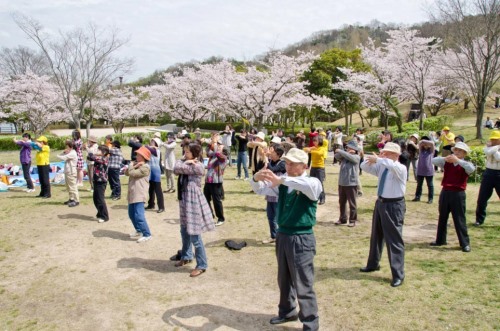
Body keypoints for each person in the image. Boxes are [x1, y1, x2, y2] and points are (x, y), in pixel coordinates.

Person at [250, 148, 321, 331]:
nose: (287, 166)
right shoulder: (283, 183)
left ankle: (310, 323)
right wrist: (256, 178)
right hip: (283, 235)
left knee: (303, 282)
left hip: (301, 237)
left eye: (292, 164)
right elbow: (260, 190)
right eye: (287, 163)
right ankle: (287, 310)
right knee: (284, 278)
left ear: (304, 166)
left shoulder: (312, 182)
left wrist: (280, 179)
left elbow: (305, 186)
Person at [360, 142, 407, 287]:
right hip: (381, 203)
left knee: (394, 239)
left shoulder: (400, 168)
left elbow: (392, 166)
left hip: (394, 204)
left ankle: (398, 274)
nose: (384, 154)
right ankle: (373, 263)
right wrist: (372, 160)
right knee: (376, 235)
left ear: (396, 155)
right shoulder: (383, 166)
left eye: (387, 153)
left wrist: (380, 160)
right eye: (383, 152)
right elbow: (364, 167)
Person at [173, 143, 215, 277]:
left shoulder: (198, 166)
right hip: (184, 200)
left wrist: (186, 162)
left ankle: (202, 265)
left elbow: (177, 167)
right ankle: (186, 256)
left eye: (188, 152)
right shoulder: (188, 162)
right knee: (184, 230)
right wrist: (186, 160)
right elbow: (176, 168)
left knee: (194, 234)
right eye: (184, 152)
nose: (185, 154)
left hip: (193, 202)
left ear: (195, 154)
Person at [431, 142, 475, 252]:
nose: (457, 152)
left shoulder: (465, 164)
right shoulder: (447, 163)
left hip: (458, 193)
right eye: (456, 150)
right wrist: (446, 158)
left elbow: (471, 169)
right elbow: (433, 160)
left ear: (464, 153)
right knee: (442, 217)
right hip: (445, 192)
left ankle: (464, 243)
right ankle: (440, 240)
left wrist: (458, 161)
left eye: (460, 151)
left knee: (459, 219)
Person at [127, 146, 153, 243]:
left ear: (143, 157)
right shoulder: (137, 165)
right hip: (132, 193)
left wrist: (131, 166)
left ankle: (147, 234)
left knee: (139, 215)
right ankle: (138, 230)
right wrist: (134, 165)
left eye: (138, 154)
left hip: (139, 194)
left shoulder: (146, 167)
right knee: (131, 214)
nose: (136, 156)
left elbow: (133, 173)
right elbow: (126, 173)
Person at [474, 130, 500, 226]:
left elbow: (498, 157)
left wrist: (493, 148)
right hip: (488, 173)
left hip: (499, 174)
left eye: (496, 139)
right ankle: (479, 220)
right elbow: (487, 152)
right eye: (492, 139)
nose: (493, 141)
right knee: (482, 198)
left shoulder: (491, 148)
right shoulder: (490, 148)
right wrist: (495, 147)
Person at [262, 144, 286, 244]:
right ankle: (273, 236)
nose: (271, 153)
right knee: (270, 216)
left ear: (279, 154)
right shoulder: (271, 161)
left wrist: (267, 161)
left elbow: (272, 170)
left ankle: (281, 237)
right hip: (270, 192)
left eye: (273, 152)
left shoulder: (282, 163)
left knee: (278, 217)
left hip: (278, 194)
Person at [204, 132, 228, 226]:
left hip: (216, 181)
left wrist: (215, 143)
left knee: (216, 200)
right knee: (205, 198)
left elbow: (218, 154)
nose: (217, 146)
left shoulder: (223, 157)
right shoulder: (213, 155)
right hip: (208, 180)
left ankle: (221, 218)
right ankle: (210, 215)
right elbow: (207, 151)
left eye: (219, 145)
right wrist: (211, 143)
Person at [334, 140, 360, 227]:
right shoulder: (345, 156)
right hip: (342, 183)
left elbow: (351, 158)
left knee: (352, 203)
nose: (348, 149)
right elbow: (336, 156)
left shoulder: (356, 157)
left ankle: (352, 220)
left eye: (350, 147)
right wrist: (344, 152)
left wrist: (342, 151)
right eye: (347, 147)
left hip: (351, 184)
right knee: (342, 202)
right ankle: (342, 219)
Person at [87, 145, 110, 223]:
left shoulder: (105, 158)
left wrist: (90, 153)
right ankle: (100, 213)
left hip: (101, 181)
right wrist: (91, 155)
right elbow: (89, 157)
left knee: (100, 199)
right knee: (95, 198)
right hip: (96, 180)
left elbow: (92, 157)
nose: (97, 151)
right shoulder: (99, 158)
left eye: (99, 150)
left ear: (104, 152)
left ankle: (105, 216)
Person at [303, 135, 327, 205]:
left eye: (315, 140)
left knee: (320, 183)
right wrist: (309, 149)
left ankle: (322, 198)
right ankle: (313, 198)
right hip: (313, 167)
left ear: (319, 141)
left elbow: (319, 153)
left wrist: (310, 150)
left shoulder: (322, 148)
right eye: (313, 140)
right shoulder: (313, 148)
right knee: (312, 183)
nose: (314, 142)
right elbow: (304, 149)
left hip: (320, 168)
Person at [412, 136, 435, 204]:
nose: (425, 145)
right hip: (420, 170)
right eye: (423, 143)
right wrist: (422, 142)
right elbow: (419, 143)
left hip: (429, 170)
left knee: (430, 185)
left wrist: (425, 142)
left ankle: (430, 198)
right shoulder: (421, 150)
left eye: (426, 143)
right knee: (419, 184)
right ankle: (417, 197)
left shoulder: (431, 150)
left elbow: (432, 143)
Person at [57, 140, 79, 207]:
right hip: (68, 171)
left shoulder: (73, 153)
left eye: (67, 146)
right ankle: (71, 199)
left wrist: (58, 155)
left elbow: (63, 158)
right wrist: (64, 152)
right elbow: (64, 155)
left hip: (71, 172)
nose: (66, 147)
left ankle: (76, 200)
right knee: (68, 186)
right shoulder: (70, 152)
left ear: (71, 147)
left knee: (73, 186)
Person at [146, 138, 165, 213]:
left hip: (156, 171)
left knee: (158, 190)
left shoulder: (156, 150)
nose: (151, 142)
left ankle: (161, 207)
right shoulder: (151, 149)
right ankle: (151, 204)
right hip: (150, 171)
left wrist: (150, 147)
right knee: (151, 189)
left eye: (153, 142)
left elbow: (148, 147)